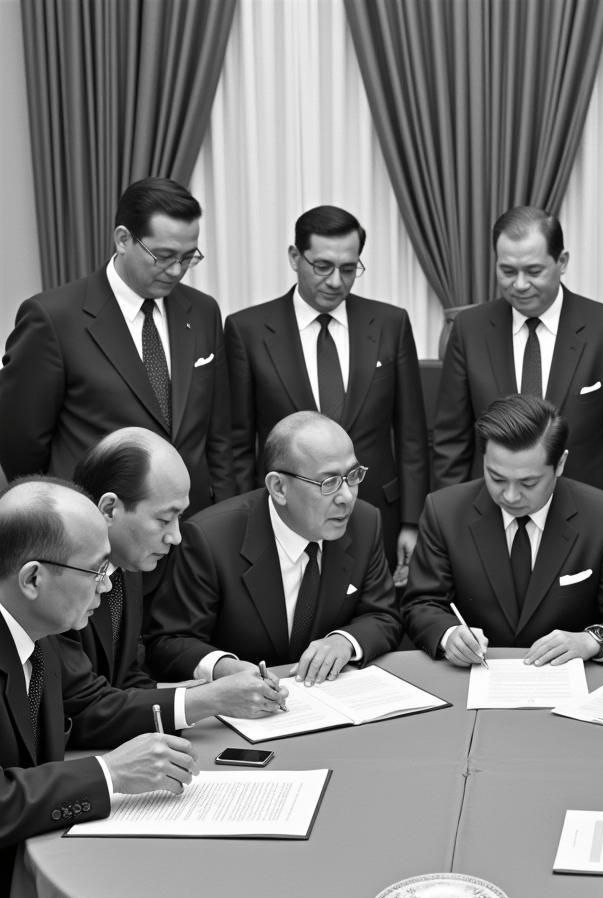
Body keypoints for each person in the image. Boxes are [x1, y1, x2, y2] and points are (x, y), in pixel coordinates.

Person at [0, 479, 199, 898]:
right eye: (96, 572)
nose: (109, 588)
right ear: (33, 578)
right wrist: (108, 775)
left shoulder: (36, 641)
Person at [0, 177, 234, 514]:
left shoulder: (202, 311)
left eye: (188, 257)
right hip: (98, 530)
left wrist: (221, 516)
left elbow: (218, 436)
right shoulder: (53, 318)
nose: (177, 270)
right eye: (164, 256)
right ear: (123, 239)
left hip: (192, 526)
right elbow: (21, 444)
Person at [431, 205, 603, 548]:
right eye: (507, 271)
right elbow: (451, 445)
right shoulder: (469, 330)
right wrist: (449, 532)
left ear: (562, 262)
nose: (519, 284)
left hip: (588, 527)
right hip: (491, 522)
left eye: (534, 270)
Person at [224, 205, 428, 577]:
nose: (336, 281)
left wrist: (413, 521)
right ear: (294, 257)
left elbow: (412, 433)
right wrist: (241, 520)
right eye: (323, 266)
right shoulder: (248, 331)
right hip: (287, 515)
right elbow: (237, 444)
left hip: (377, 511)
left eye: (349, 269)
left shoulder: (390, 324)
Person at [146, 412, 403, 685]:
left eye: (353, 475)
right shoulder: (210, 539)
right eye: (328, 483)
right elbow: (169, 642)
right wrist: (223, 667)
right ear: (279, 487)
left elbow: (383, 615)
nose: (347, 496)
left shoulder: (365, 522)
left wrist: (345, 641)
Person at [404, 395, 603, 667]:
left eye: (528, 482)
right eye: (497, 478)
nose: (511, 496)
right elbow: (422, 604)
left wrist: (591, 640)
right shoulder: (444, 511)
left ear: (560, 463)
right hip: (472, 680)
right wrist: (449, 634)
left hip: (572, 686)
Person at [70, 428, 287, 720]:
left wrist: (212, 683)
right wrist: (208, 700)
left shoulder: (130, 563)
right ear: (110, 509)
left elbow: (129, 680)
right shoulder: (60, 580)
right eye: (163, 519)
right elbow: (79, 708)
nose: (176, 537)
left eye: (180, 518)